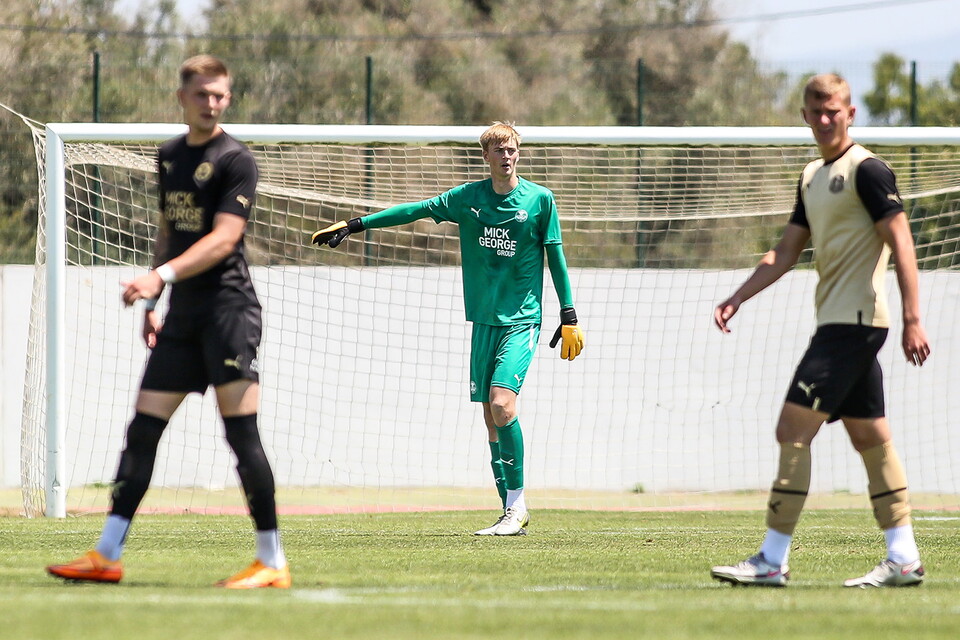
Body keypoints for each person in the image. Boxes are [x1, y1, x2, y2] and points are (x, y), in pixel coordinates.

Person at [46, 55, 290, 589]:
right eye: (202, 94)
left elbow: (226, 237)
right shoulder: (170, 156)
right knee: (142, 432)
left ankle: (271, 561)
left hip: (230, 313)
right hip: (183, 317)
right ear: (182, 97)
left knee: (240, 435)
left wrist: (160, 277)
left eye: (220, 95)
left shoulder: (235, 159)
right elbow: (169, 228)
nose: (212, 103)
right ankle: (107, 554)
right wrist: (156, 302)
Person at [710, 73, 931, 588]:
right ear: (806, 117)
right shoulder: (811, 176)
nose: (826, 118)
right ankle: (904, 557)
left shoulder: (869, 170)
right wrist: (738, 296)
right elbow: (785, 253)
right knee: (872, 440)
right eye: (816, 110)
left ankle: (771, 559)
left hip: (852, 327)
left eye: (834, 110)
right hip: (840, 324)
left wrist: (913, 318)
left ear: (850, 114)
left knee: (792, 430)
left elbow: (901, 243)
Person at [311, 122, 584, 536]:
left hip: (522, 320)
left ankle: (518, 508)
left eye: (512, 150)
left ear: (518, 153)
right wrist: (356, 224)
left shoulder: (540, 200)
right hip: (483, 323)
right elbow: (416, 210)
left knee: (502, 404)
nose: (506, 156)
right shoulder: (467, 198)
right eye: (499, 151)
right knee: (492, 421)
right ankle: (510, 510)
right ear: (486, 156)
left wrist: (569, 314)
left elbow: (556, 257)